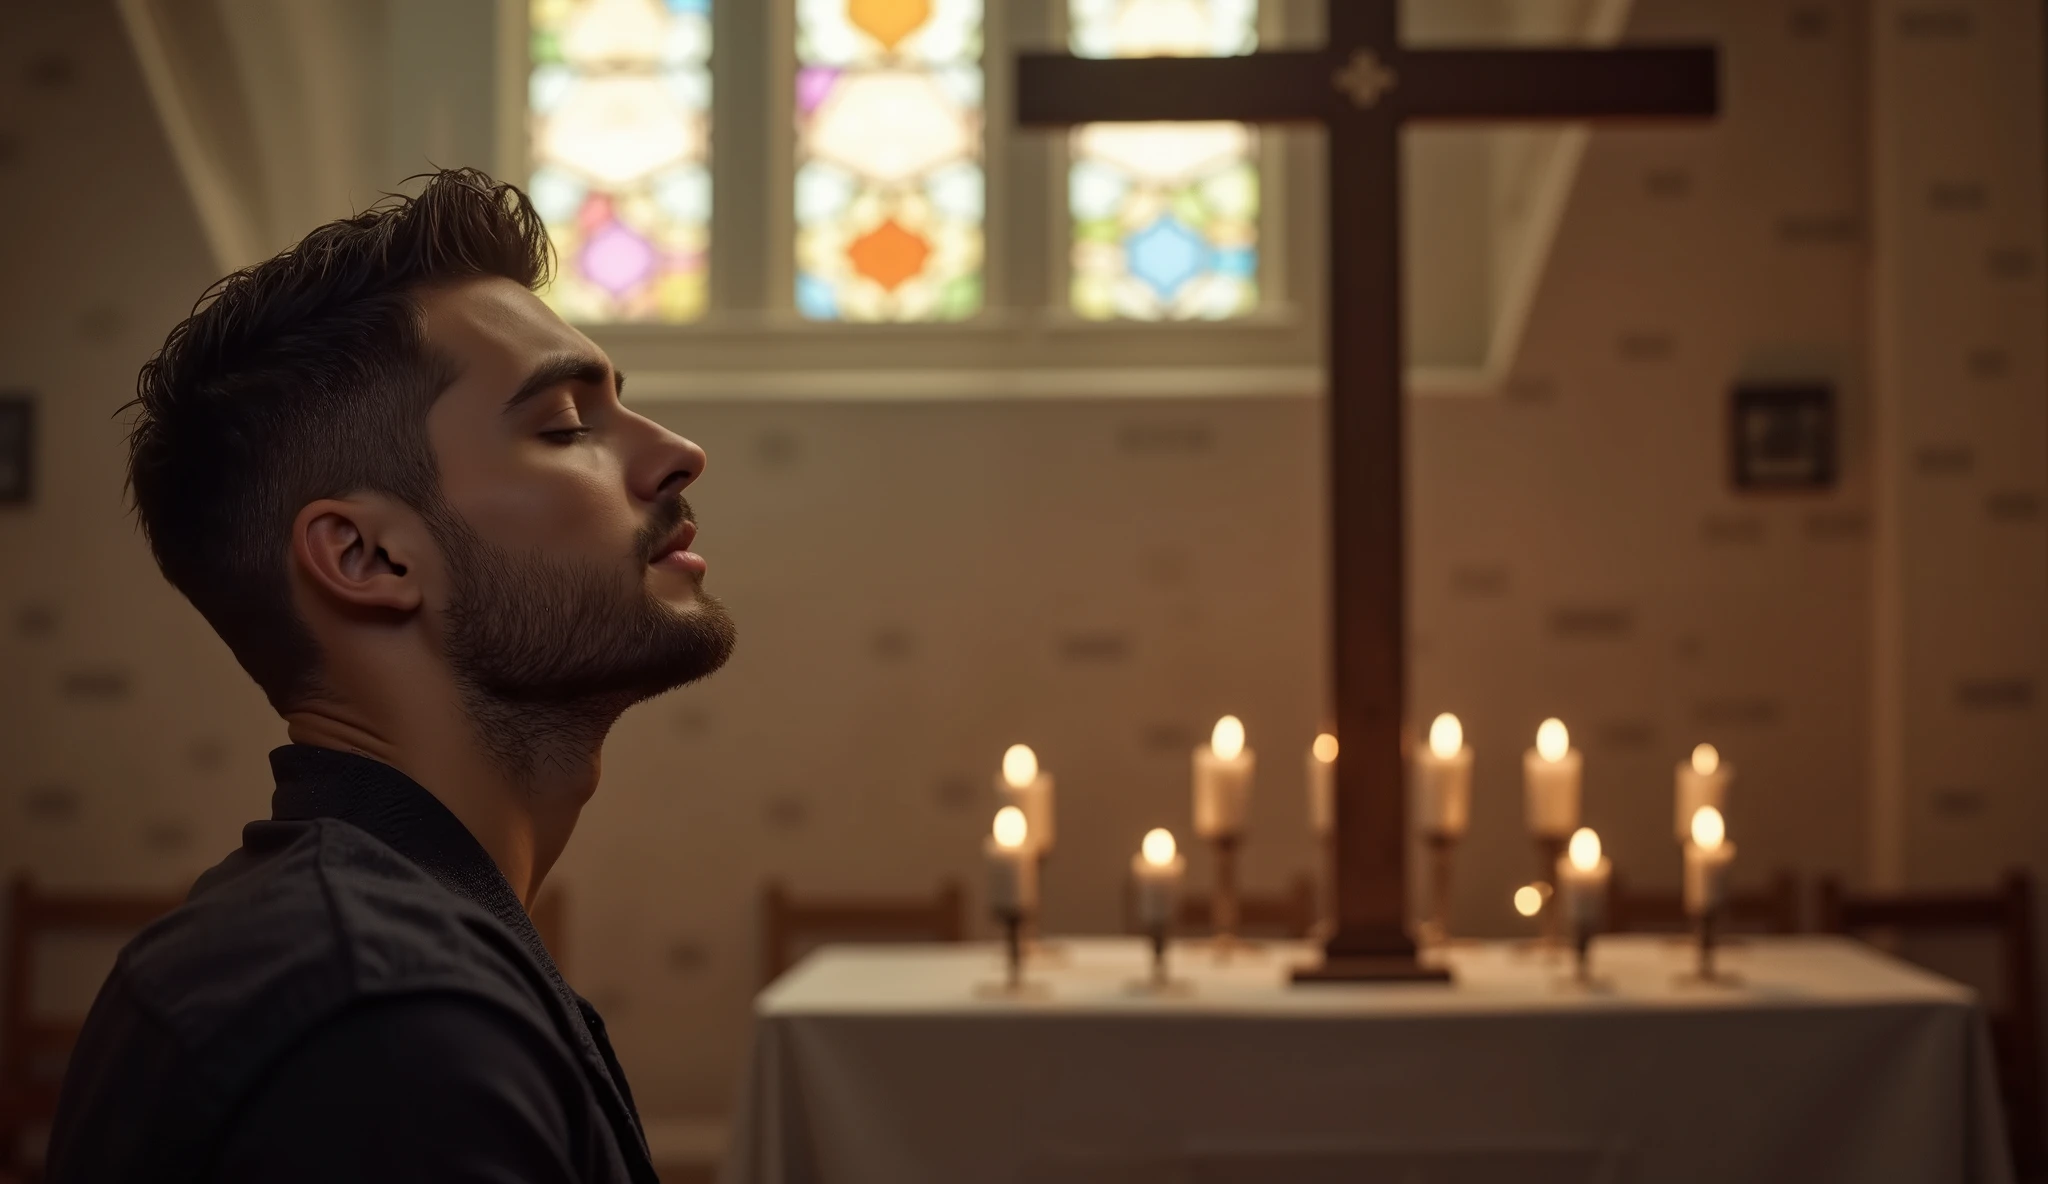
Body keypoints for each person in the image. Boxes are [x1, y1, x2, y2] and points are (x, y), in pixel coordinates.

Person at [45, 167, 734, 1183]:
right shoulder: (378, 1027)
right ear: (366, 557)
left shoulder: (380, 963)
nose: (678, 453)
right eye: (563, 425)